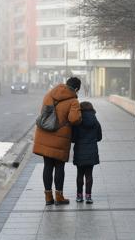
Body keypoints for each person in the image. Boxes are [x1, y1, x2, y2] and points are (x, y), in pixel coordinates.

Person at [33, 77, 82, 205]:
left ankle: (48, 197)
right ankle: (59, 196)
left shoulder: (50, 94)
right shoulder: (73, 101)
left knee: (47, 166)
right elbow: (74, 119)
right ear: (76, 89)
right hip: (60, 137)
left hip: (44, 134)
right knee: (59, 167)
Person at [71, 101, 102, 204]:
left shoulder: (77, 121)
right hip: (91, 151)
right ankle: (88, 197)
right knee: (89, 175)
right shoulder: (95, 121)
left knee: (79, 174)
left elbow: (73, 138)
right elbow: (99, 137)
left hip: (80, 150)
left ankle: (79, 196)